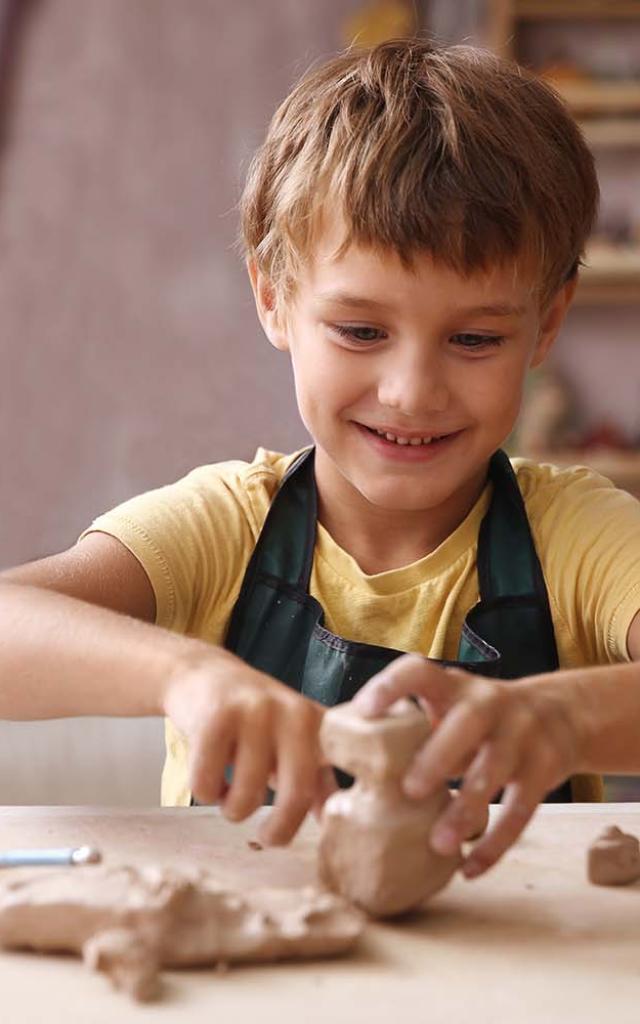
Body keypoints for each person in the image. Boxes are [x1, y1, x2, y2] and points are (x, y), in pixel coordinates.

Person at [2, 39, 640, 876]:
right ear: (273, 296)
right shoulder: (225, 525)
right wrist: (187, 674)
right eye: (362, 331)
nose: (412, 391)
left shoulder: (577, 536)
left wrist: (563, 718)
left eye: (475, 338)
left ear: (547, 325)